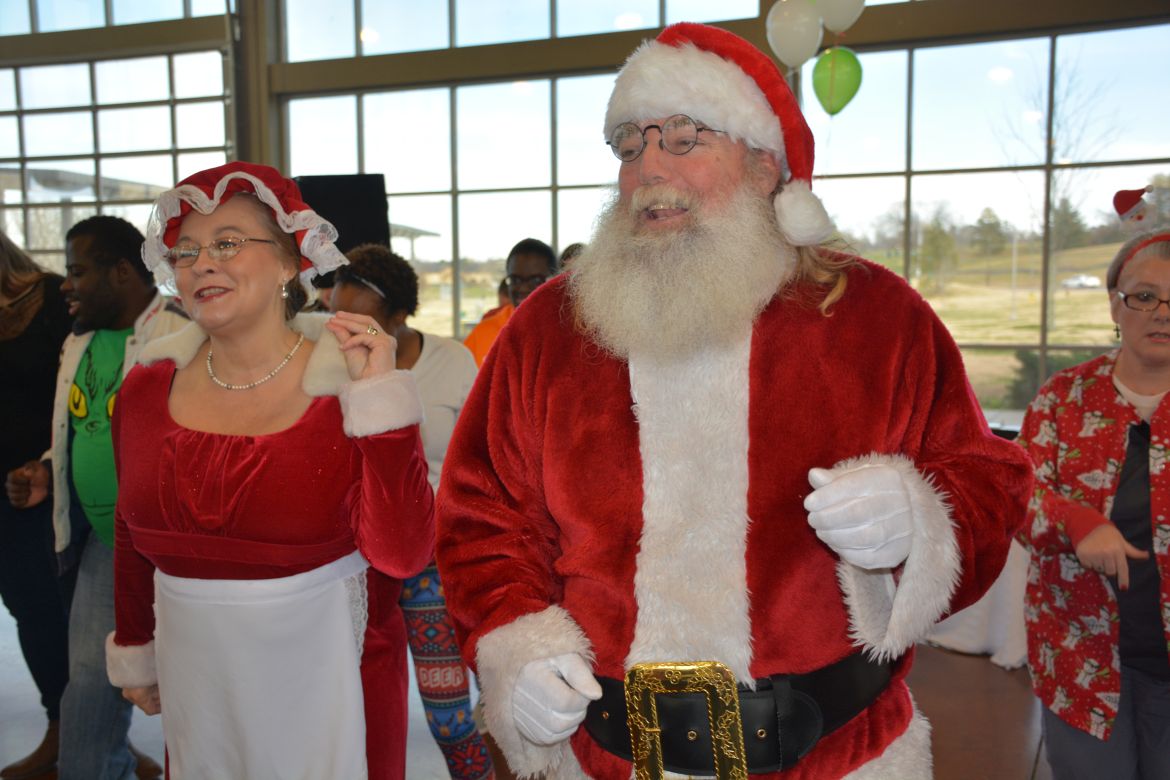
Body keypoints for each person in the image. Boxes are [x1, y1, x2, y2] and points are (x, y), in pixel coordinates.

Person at [435, 23, 1033, 780]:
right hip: (607, 758)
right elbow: (482, 515)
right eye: (629, 144)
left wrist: (921, 519)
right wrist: (516, 641)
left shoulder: (876, 317)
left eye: (685, 137)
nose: (648, 168)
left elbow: (986, 478)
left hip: (839, 758)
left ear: (764, 164)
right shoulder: (549, 329)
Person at [105, 162, 435, 780]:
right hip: (197, 686)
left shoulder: (350, 385)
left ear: (289, 262)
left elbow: (402, 554)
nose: (203, 263)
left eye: (227, 242)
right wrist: (135, 645)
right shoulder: (145, 388)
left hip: (332, 688)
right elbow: (130, 531)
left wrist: (384, 409)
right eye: (186, 251)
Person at [6, 216, 179, 780]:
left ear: (122, 271)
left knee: (192, 682)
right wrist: (48, 470)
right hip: (106, 544)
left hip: (176, 550)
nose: (66, 284)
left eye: (78, 271)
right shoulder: (79, 341)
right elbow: (80, 428)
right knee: (88, 678)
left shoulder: (178, 335)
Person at [329, 243, 493, 780]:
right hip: (361, 559)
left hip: (439, 555)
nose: (344, 330)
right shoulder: (328, 365)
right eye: (336, 314)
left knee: (452, 716)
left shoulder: (452, 361)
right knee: (356, 708)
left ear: (400, 314)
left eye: (361, 320)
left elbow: (483, 454)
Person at [1017, 228, 1170, 779]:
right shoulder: (1064, 398)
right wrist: (1074, 522)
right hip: (1079, 659)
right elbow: (1015, 493)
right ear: (1115, 304)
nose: (1162, 313)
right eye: (1145, 296)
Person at [0, 230, 71, 780]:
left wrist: (49, 464)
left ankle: (82, 729)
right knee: (27, 609)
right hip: (4, 494)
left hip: (42, 481)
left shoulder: (49, 297)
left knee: (54, 610)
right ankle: (66, 726)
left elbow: (80, 388)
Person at [463, 238, 557, 367]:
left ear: (554, 280)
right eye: (515, 280)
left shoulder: (566, 333)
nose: (523, 288)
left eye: (535, 280)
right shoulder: (482, 334)